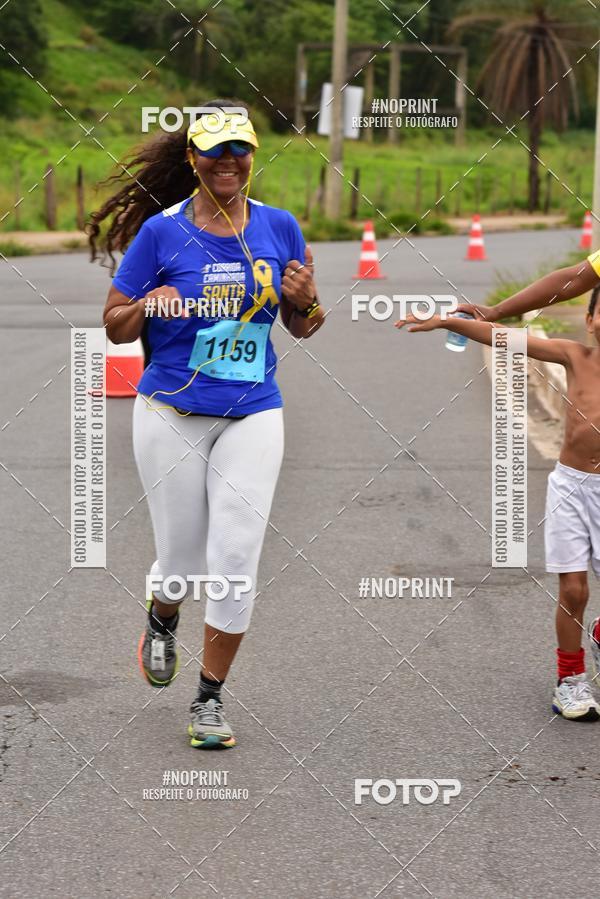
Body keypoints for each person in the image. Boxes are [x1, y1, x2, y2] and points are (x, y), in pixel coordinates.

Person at [90, 99, 324, 748]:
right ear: (194, 160)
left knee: (235, 555)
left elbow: (303, 325)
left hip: (253, 411)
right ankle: (163, 613)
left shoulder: (280, 228)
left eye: (239, 150)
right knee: (182, 564)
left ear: (253, 156)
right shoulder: (162, 234)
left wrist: (306, 304)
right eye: (215, 151)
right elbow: (113, 320)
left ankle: (210, 697)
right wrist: (145, 304)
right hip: (172, 412)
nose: (228, 162)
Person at [396, 263, 600, 721]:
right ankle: (571, 680)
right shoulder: (574, 355)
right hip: (571, 487)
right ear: (589, 319)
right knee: (574, 589)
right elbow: (508, 340)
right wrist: (453, 321)